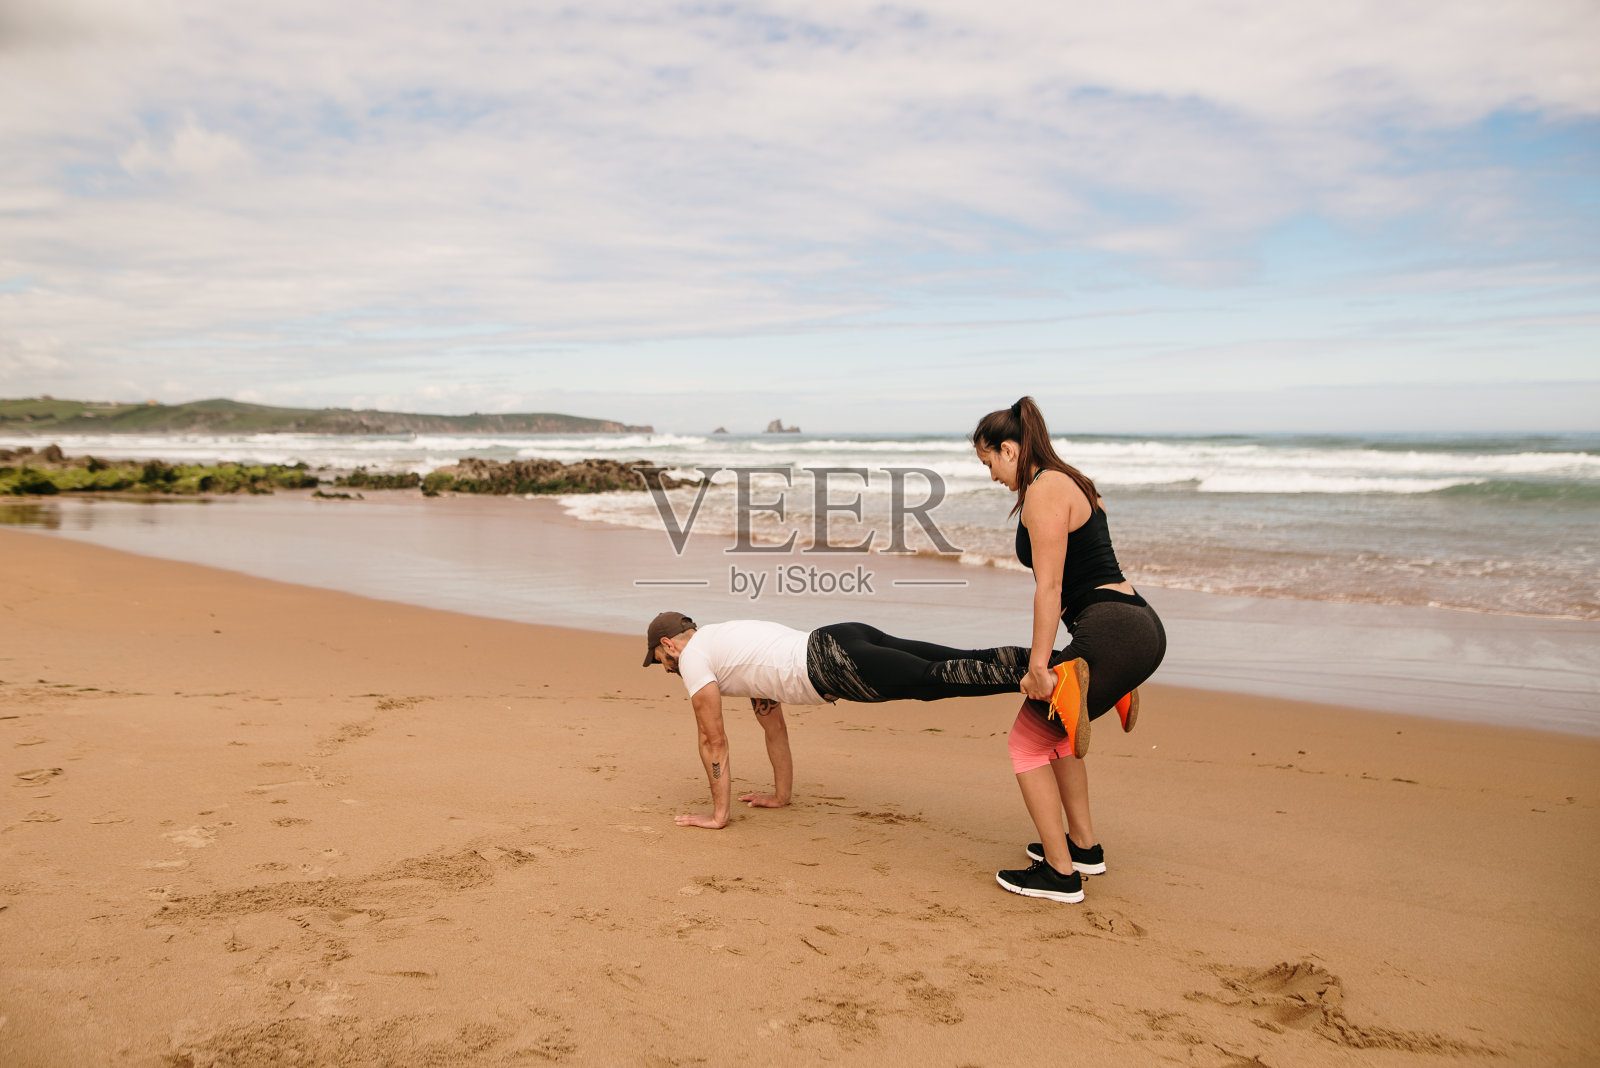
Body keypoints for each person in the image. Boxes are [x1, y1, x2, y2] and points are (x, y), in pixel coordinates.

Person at [973, 396, 1167, 904]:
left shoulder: (1043, 489)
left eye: (989, 461)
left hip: (1113, 632)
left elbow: (1051, 587)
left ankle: (1060, 876)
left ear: (1010, 450)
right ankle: (1083, 847)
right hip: (1134, 626)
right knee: (1056, 733)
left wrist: (1041, 666)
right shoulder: (1069, 479)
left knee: (1026, 743)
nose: (991, 474)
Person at [641, 611, 1041, 829]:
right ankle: (1052, 660)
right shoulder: (727, 642)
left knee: (932, 679)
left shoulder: (693, 659)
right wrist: (781, 796)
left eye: (660, 660)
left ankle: (1043, 680)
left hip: (831, 665)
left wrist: (718, 815)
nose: (665, 669)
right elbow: (773, 727)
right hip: (841, 634)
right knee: (954, 656)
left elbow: (714, 741)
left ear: (668, 644)